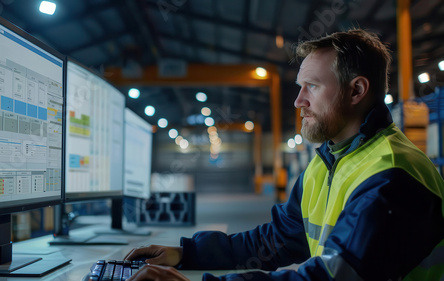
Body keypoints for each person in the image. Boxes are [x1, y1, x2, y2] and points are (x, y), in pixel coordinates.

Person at [124, 29, 444, 281]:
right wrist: (187, 253)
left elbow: (331, 278)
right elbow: (276, 240)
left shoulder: (391, 175)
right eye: (299, 87)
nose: (298, 101)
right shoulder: (328, 162)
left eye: (312, 87)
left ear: (356, 91)